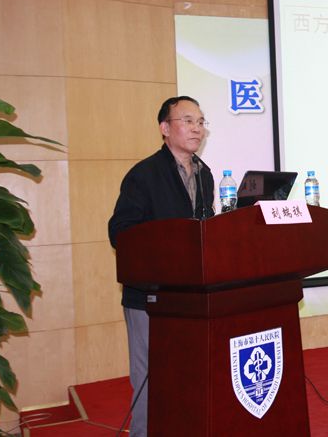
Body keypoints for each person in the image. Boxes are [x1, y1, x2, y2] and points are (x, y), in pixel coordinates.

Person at [108, 96, 215, 436]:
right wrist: (167, 247)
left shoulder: (205, 174)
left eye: (200, 121)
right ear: (165, 128)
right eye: (188, 120)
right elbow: (121, 232)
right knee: (149, 377)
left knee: (187, 374)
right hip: (149, 297)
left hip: (189, 296)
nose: (197, 128)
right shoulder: (144, 175)